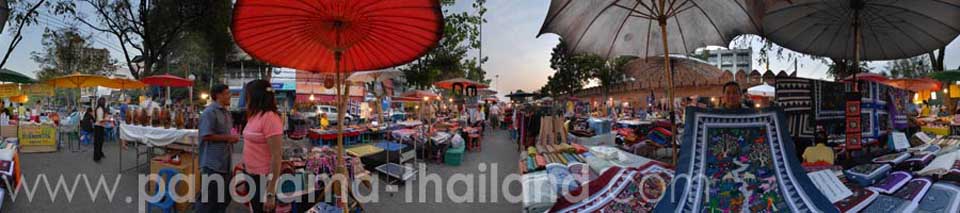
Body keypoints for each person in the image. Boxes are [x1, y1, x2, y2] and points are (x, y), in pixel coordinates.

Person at [240, 80, 284, 212]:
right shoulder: (254, 115)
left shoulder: (270, 117)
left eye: (247, 94)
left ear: (255, 95)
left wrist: (270, 192)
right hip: (250, 175)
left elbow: (277, 156)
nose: (246, 97)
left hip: (263, 179)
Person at [195, 85, 238, 213]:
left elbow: (227, 133)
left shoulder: (227, 112)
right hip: (212, 164)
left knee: (223, 199)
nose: (230, 95)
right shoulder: (210, 112)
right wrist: (228, 138)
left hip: (225, 163)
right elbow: (206, 135)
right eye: (227, 93)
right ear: (218, 95)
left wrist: (231, 136)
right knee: (208, 201)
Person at [93, 97, 107, 162]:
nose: (105, 103)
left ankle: (100, 153)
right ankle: (96, 157)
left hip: (100, 126)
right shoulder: (99, 109)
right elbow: (100, 119)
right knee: (98, 143)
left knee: (100, 142)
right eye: (105, 102)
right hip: (98, 127)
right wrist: (107, 119)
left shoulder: (101, 109)